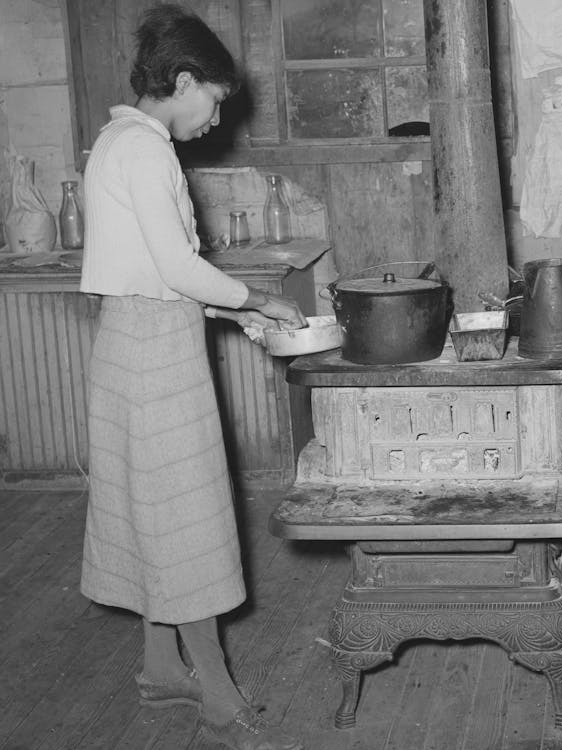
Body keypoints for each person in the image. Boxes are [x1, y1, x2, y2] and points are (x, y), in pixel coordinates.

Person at [79, 6, 305, 750]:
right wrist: (258, 298)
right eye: (212, 99)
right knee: (188, 528)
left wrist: (232, 318)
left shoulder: (116, 141)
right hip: (155, 363)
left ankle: (160, 669)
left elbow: (154, 280)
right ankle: (214, 695)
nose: (216, 117)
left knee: (156, 517)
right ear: (181, 81)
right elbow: (177, 269)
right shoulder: (144, 152)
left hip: (138, 341)